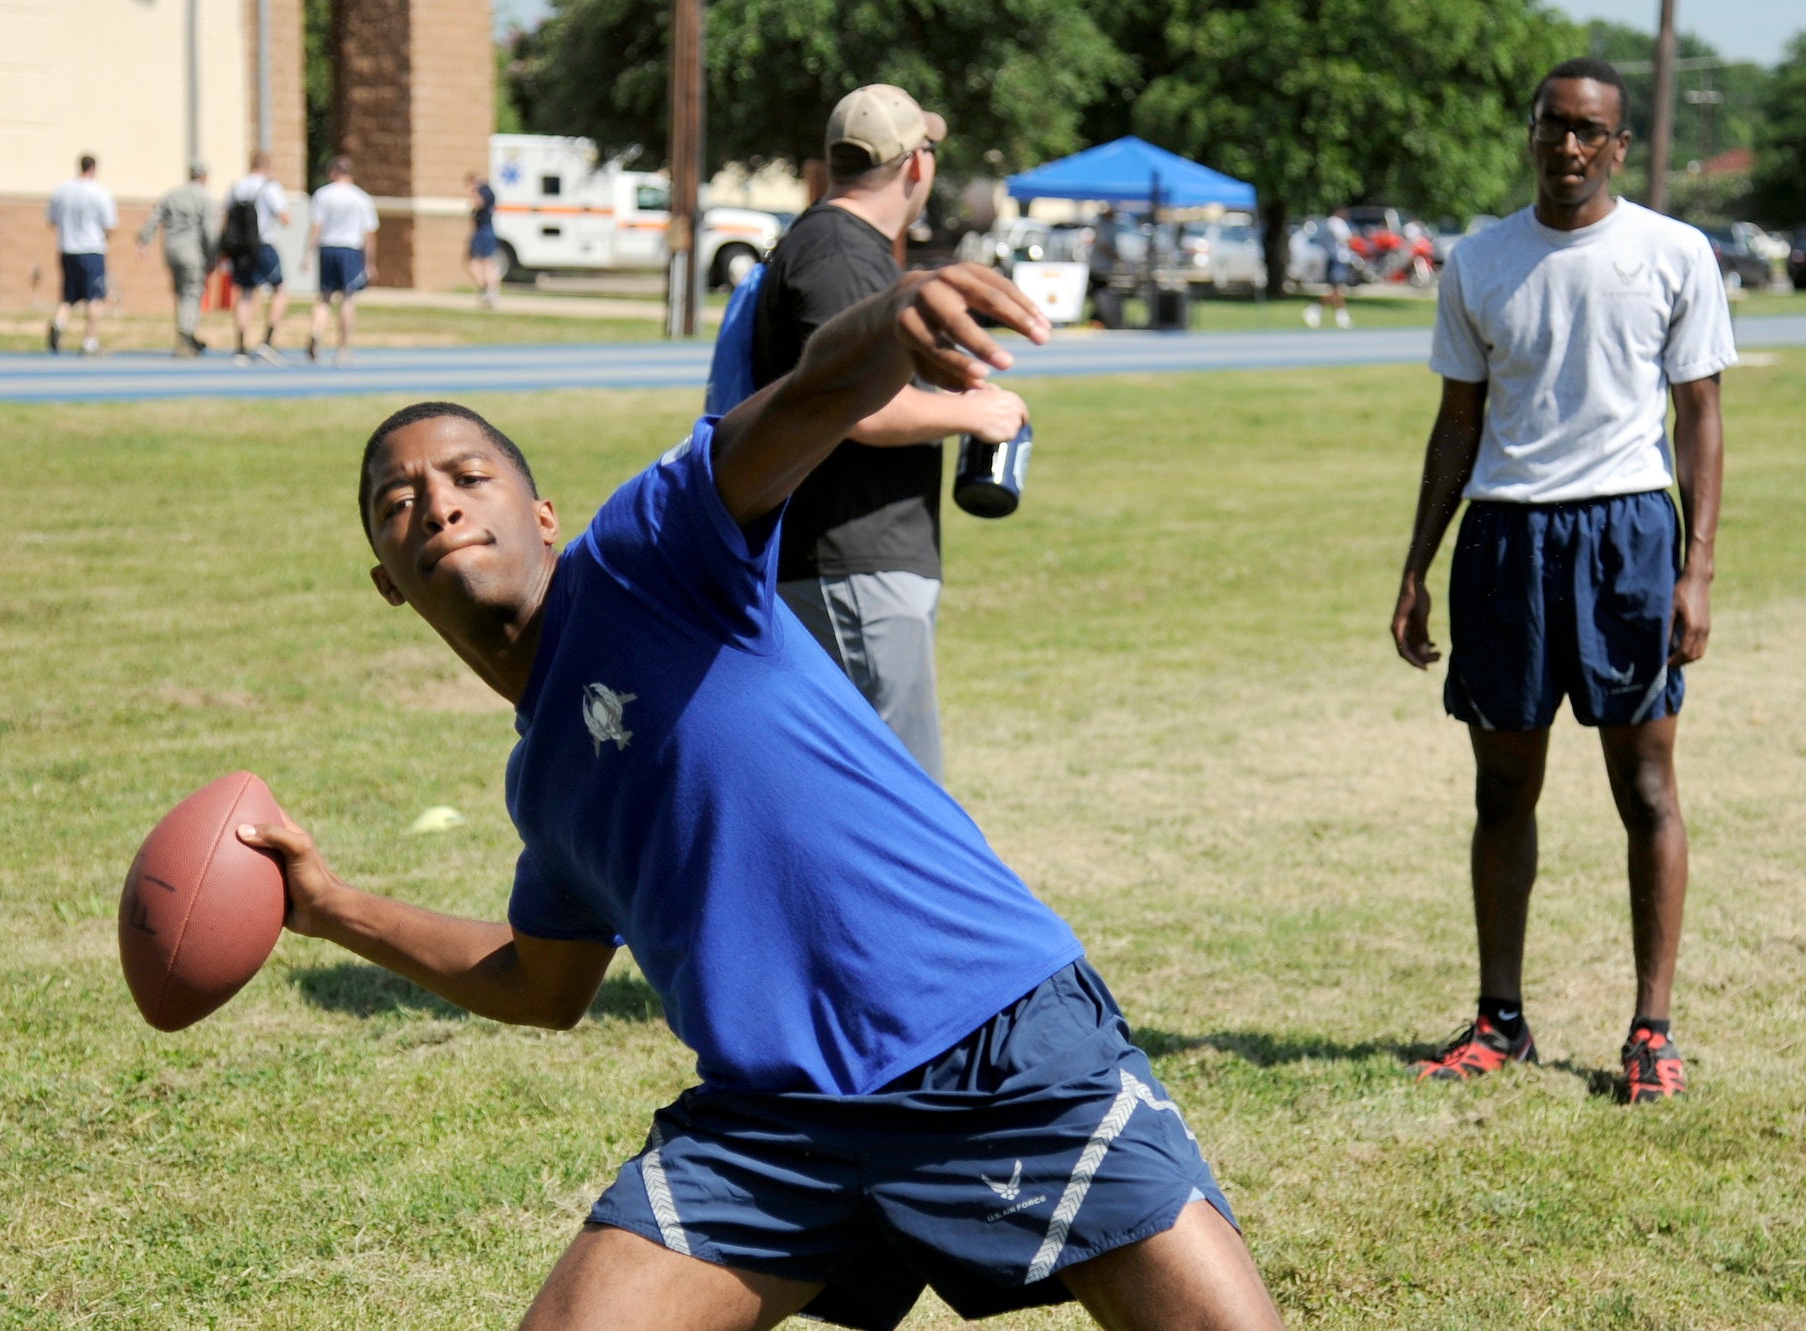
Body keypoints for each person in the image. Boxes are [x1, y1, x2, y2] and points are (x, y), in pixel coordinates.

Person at [236, 263, 1286, 1331]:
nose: (437, 502)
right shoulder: (541, 783)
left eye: (465, 474)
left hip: (994, 1043)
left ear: (543, 514)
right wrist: (325, 908)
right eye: (397, 503)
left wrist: (887, 319)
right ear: (385, 574)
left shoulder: (649, 551)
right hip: (774, 1123)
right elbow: (540, 980)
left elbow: (805, 401)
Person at [1390, 57, 1734, 1104]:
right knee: (1501, 789)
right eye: (1553, 125)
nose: (1569, 146)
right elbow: (1455, 423)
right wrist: (1415, 564)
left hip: (1626, 535)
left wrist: (1696, 568)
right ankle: (1500, 1018)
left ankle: (1650, 1028)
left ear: (1618, 146)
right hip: (1503, 540)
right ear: (1530, 132)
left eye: (1590, 130)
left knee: (1644, 786)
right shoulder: (1479, 259)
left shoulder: (1671, 252)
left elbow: (1700, 417)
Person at [751, 84, 1029, 781]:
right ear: (916, 165)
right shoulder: (839, 255)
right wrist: (977, 414)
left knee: (859, 792)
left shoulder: (844, 247)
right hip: (851, 560)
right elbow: (855, 406)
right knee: (901, 797)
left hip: (856, 560)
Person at [136, 162, 219, 357]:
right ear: (204, 177)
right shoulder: (205, 198)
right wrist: (212, 256)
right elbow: (210, 231)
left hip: (172, 251)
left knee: (181, 294)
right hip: (192, 252)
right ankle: (185, 336)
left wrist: (143, 241)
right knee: (192, 293)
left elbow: (154, 218)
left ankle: (186, 334)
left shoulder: (171, 195)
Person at [305, 155, 379, 367]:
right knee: (347, 299)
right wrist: (370, 263)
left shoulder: (322, 194)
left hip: (328, 247)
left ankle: (315, 334)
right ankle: (343, 348)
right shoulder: (361, 198)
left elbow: (316, 226)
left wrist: (308, 254)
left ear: (333, 172)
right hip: (350, 249)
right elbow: (369, 234)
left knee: (324, 299)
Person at [223, 151, 292, 365]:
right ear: (266, 166)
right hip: (263, 244)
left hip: (241, 247)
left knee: (244, 294)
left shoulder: (236, 186)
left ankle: (241, 347)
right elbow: (285, 217)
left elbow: (225, 215)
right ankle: (267, 341)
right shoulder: (270, 186)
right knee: (280, 290)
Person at [45, 154, 117, 356]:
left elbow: (51, 221)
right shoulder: (100, 192)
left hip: (67, 249)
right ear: (93, 168)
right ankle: (89, 341)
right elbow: (109, 225)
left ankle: (59, 322)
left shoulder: (61, 190)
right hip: (92, 249)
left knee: (69, 295)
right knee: (94, 297)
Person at [1302, 205, 1353, 329]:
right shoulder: (1336, 223)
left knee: (1337, 289)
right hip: (1338, 258)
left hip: (1331, 258)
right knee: (1336, 289)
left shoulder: (1325, 223)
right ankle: (1317, 310)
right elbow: (1347, 239)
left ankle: (1340, 315)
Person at [465, 171, 500, 307]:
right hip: (486, 230)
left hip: (483, 231)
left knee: (483, 262)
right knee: (481, 262)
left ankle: (488, 290)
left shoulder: (482, 192)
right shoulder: (489, 191)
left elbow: (478, 203)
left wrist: (472, 192)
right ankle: (488, 290)